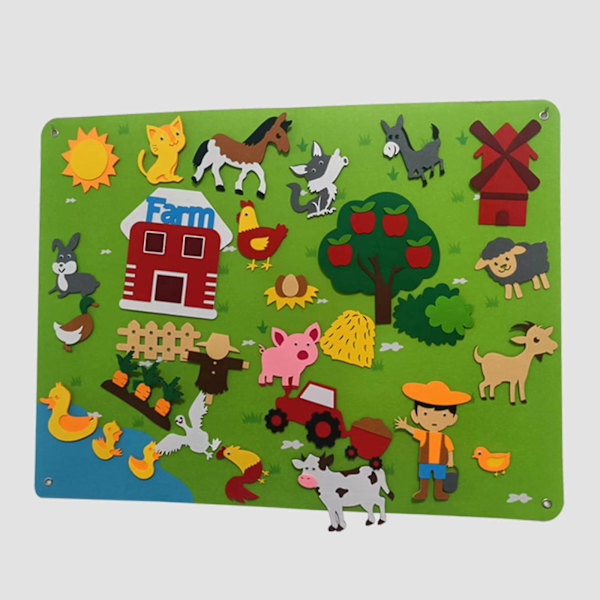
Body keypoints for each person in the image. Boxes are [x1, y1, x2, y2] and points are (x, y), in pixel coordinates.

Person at [394, 381, 471, 501]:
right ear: (415, 416)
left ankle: (439, 492)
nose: (434, 419)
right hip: (425, 461)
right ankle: (423, 492)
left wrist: (450, 461)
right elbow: (414, 431)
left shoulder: (444, 438)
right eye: (425, 413)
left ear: (452, 419)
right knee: (424, 477)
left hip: (440, 462)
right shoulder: (424, 435)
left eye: (444, 415)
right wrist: (405, 426)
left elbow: (450, 450)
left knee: (439, 478)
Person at [186, 333, 249, 404]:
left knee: (213, 388)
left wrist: (243, 364)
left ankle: (209, 398)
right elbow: (196, 356)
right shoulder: (205, 358)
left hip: (218, 382)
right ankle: (208, 398)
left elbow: (234, 363)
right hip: (205, 379)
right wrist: (187, 355)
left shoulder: (226, 362)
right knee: (207, 387)